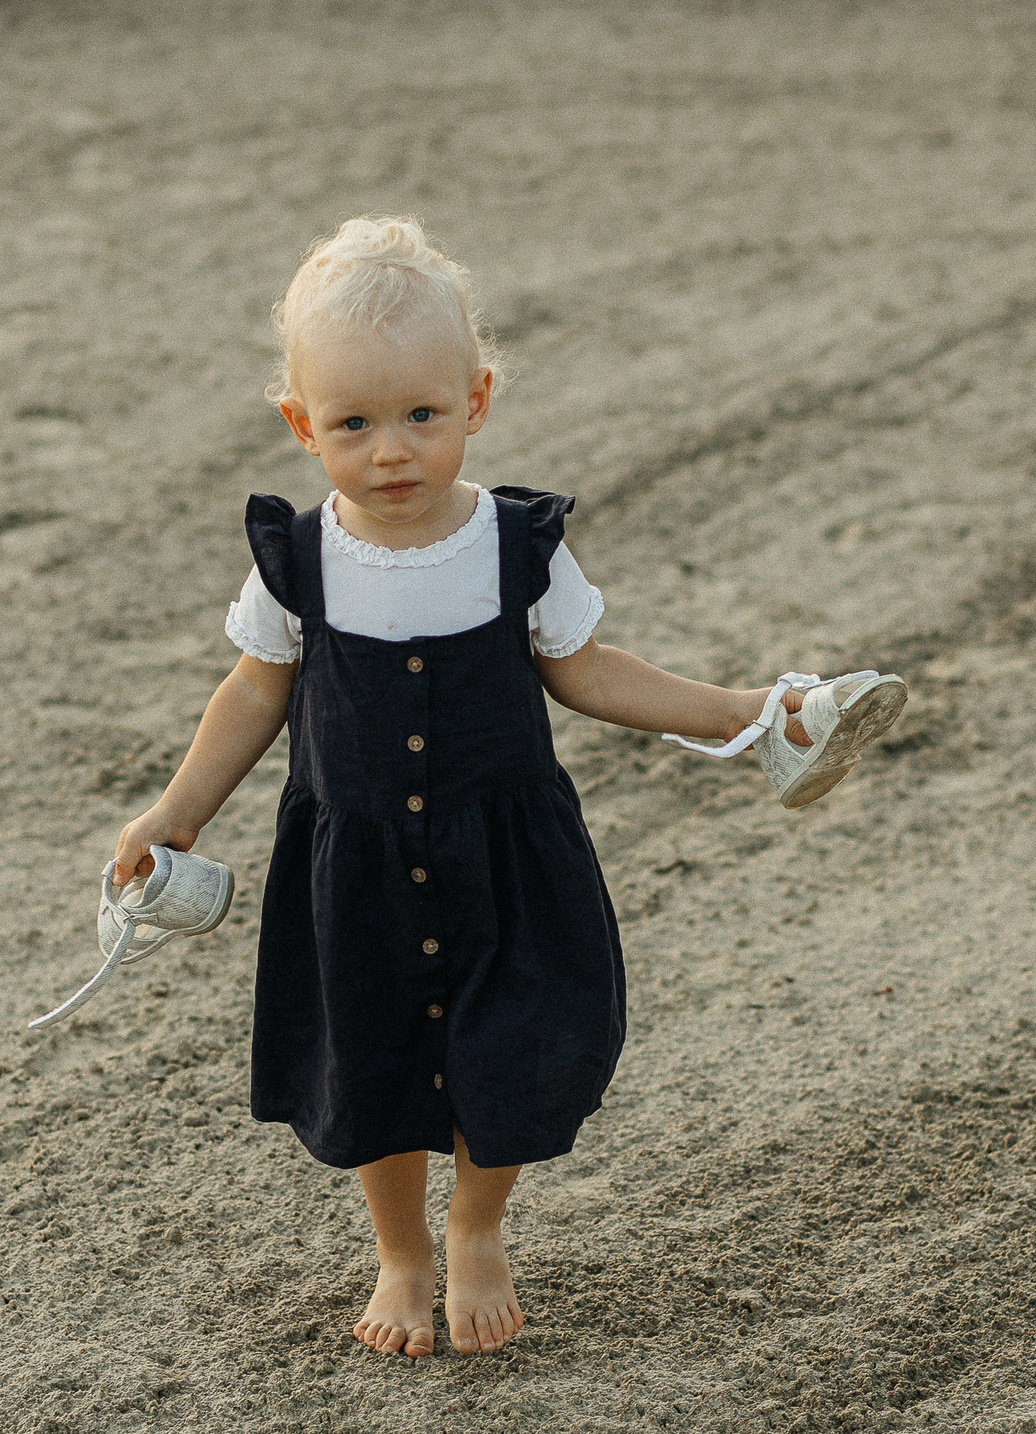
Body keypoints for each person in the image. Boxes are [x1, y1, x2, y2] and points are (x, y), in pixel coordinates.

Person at [110, 216, 905, 1358]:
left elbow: (586, 669)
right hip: (357, 870)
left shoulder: (513, 545)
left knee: (515, 1048)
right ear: (301, 425)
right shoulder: (297, 562)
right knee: (371, 1059)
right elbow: (252, 691)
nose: (392, 451)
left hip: (506, 860)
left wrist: (738, 712)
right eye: (353, 424)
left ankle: (476, 1225)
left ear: (475, 400)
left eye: (421, 415)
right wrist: (175, 812)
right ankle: (400, 1251)